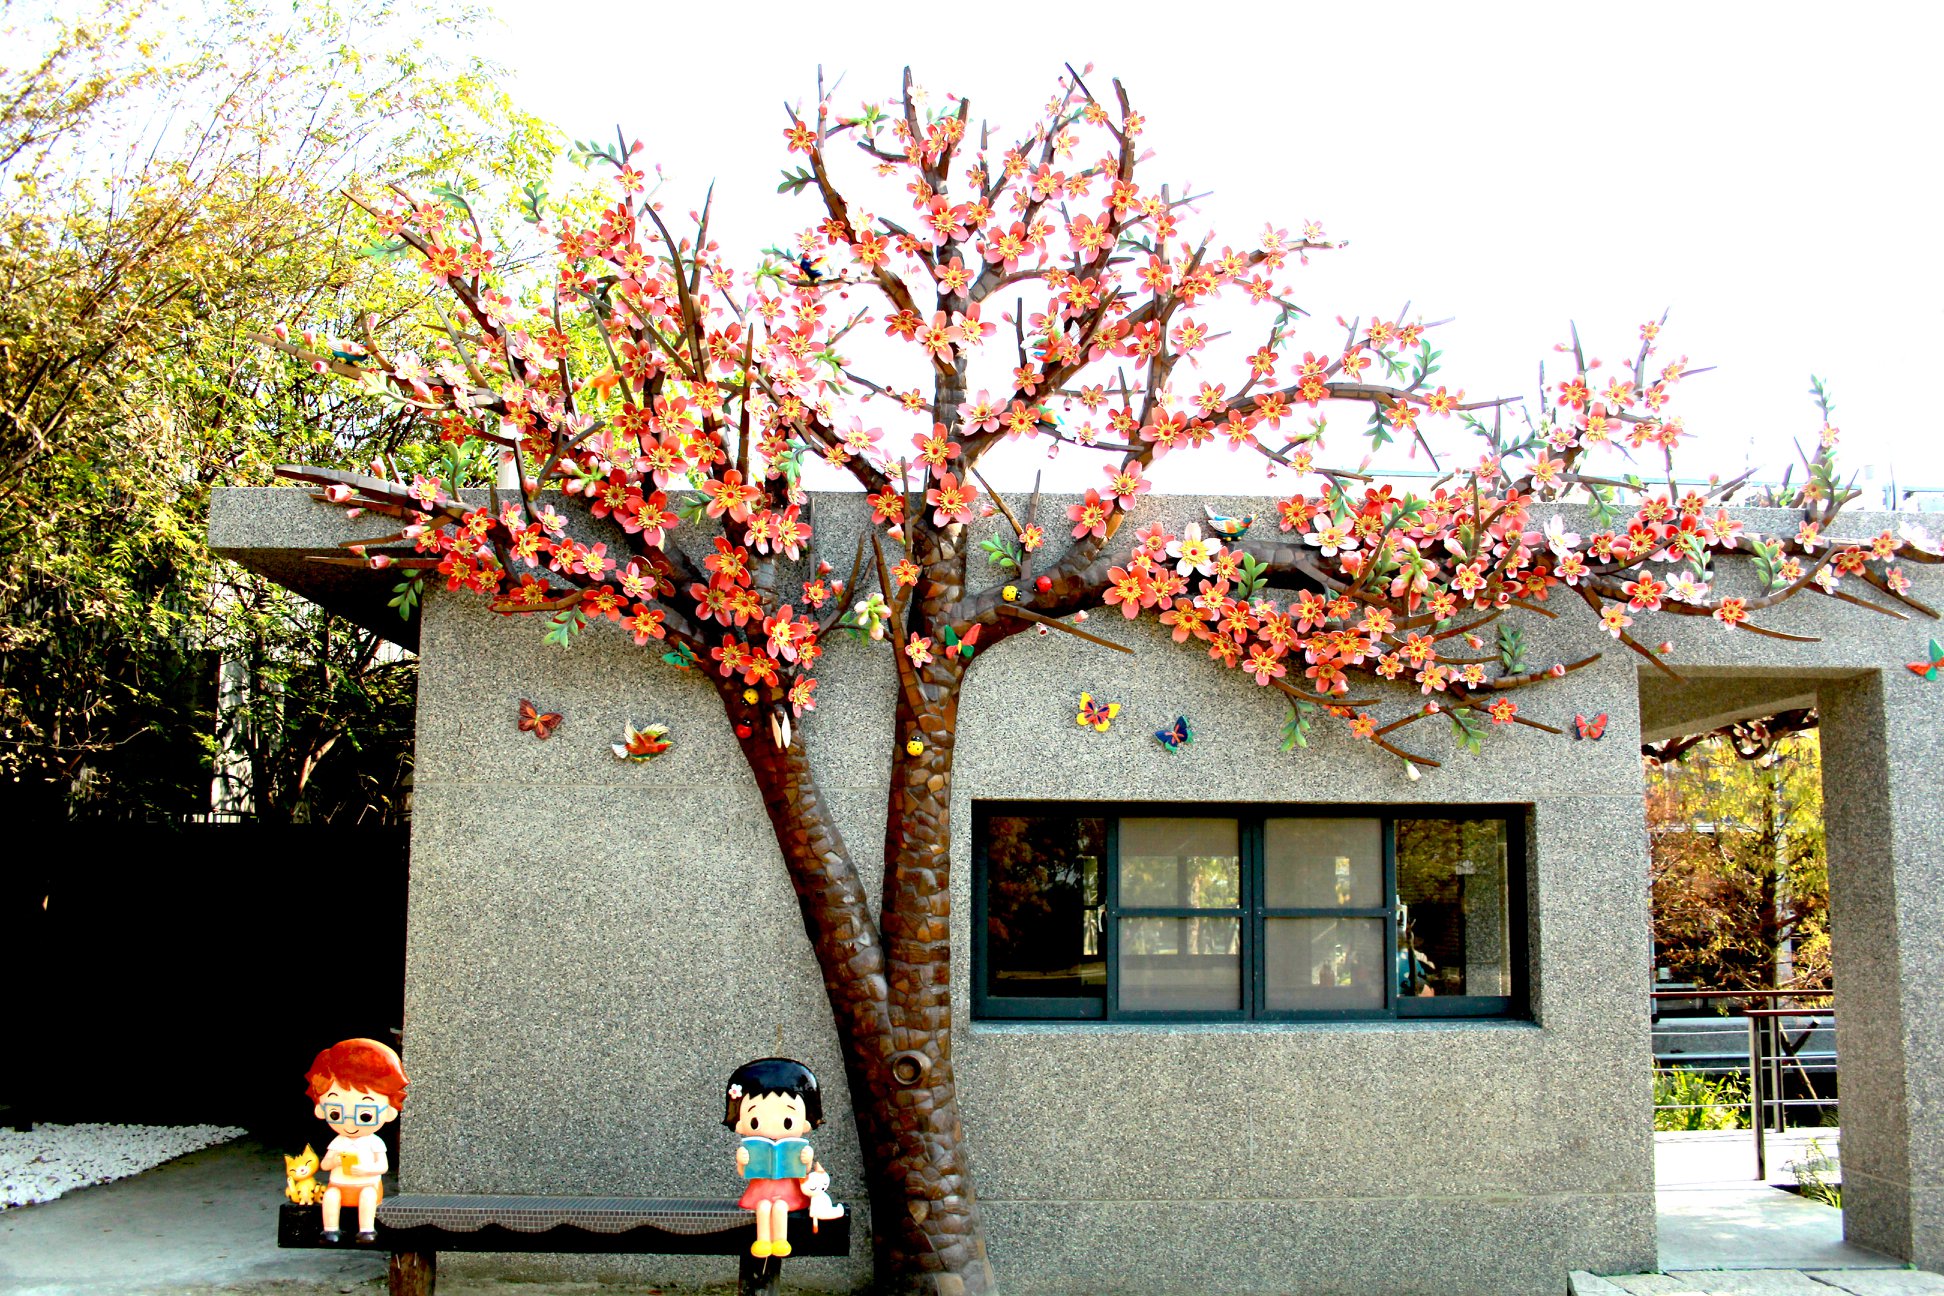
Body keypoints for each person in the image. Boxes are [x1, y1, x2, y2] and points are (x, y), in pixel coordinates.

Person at [304, 1038, 407, 1243]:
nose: (350, 1123)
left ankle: (366, 1230)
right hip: (339, 1184)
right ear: (321, 1110)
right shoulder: (339, 1142)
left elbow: (383, 1166)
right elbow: (325, 1164)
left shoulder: (374, 1142)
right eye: (336, 1113)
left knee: (368, 1197)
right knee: (330, 1197)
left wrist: (365, 1170)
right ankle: (330, 1230)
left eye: (365, 1115)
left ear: (388, 1112)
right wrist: (334, 1161)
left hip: (367, 1184)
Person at [723, 1057, 823, 1258]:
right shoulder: (751, 1147)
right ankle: (762, 1241)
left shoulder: (797, 1146)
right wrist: (742, 1161)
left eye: (788, 1121)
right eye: (754, 1121)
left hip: (789, 1191)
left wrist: (806, 1160)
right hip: (759, 1190)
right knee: (763, 1207)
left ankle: (780, 1241)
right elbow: (743, 1173)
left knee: (780, 1207)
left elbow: (803, 1173)